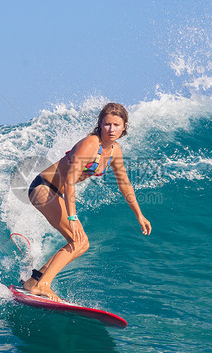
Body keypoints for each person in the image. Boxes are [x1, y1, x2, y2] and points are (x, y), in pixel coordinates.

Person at [23, 102, 152, 301]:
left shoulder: (114, 151)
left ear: (124, 126)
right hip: (44, 188)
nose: (111, 129)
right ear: (100, 124)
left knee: (81, 244)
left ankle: (34, 281)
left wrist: (139, 215)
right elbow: (70, 180)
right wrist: (72, 216)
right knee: (78, 241)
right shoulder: (90, 144)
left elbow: (124, 184)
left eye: (116, 125)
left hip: (56, 193)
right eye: (107, 124)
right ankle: (43, 286)